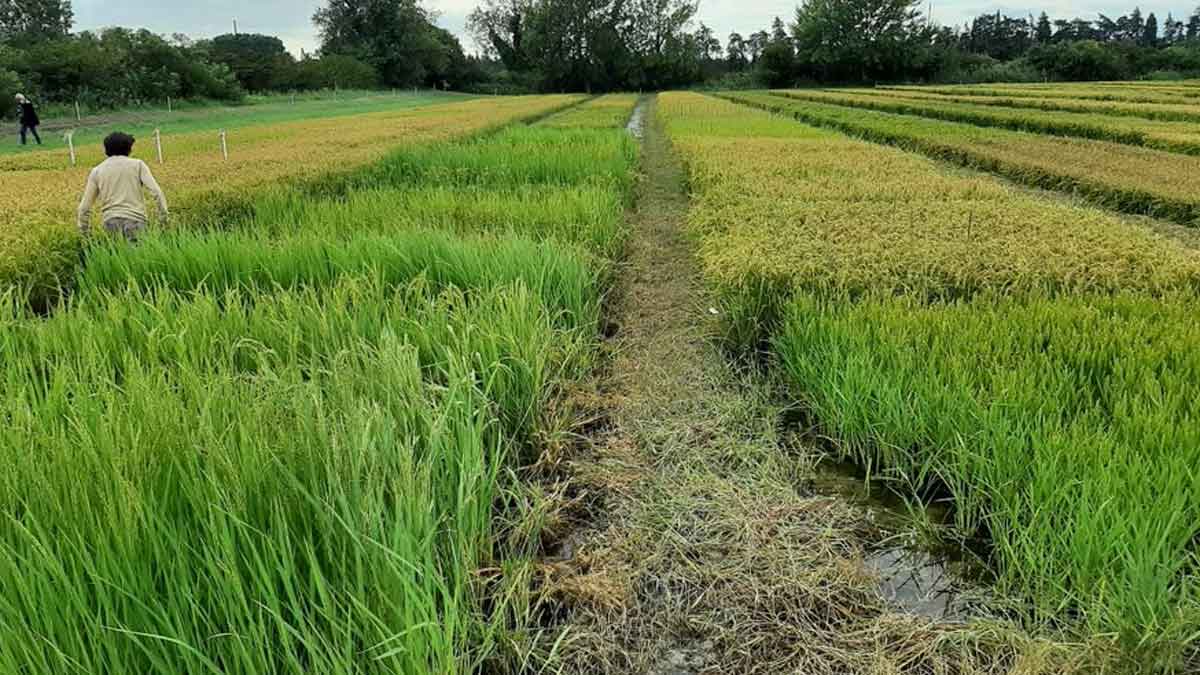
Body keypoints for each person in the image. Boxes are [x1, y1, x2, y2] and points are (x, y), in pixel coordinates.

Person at [77, 132, 169, 243]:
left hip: (110, 224)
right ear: (129, 149)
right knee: (139, 259)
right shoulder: (138, 165)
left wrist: (85, 234)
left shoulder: (97, 171)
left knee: (118, 259)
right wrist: (163, 220)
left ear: (106, 150)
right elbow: (156, 192)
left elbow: (84, 207)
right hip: (136, 221)